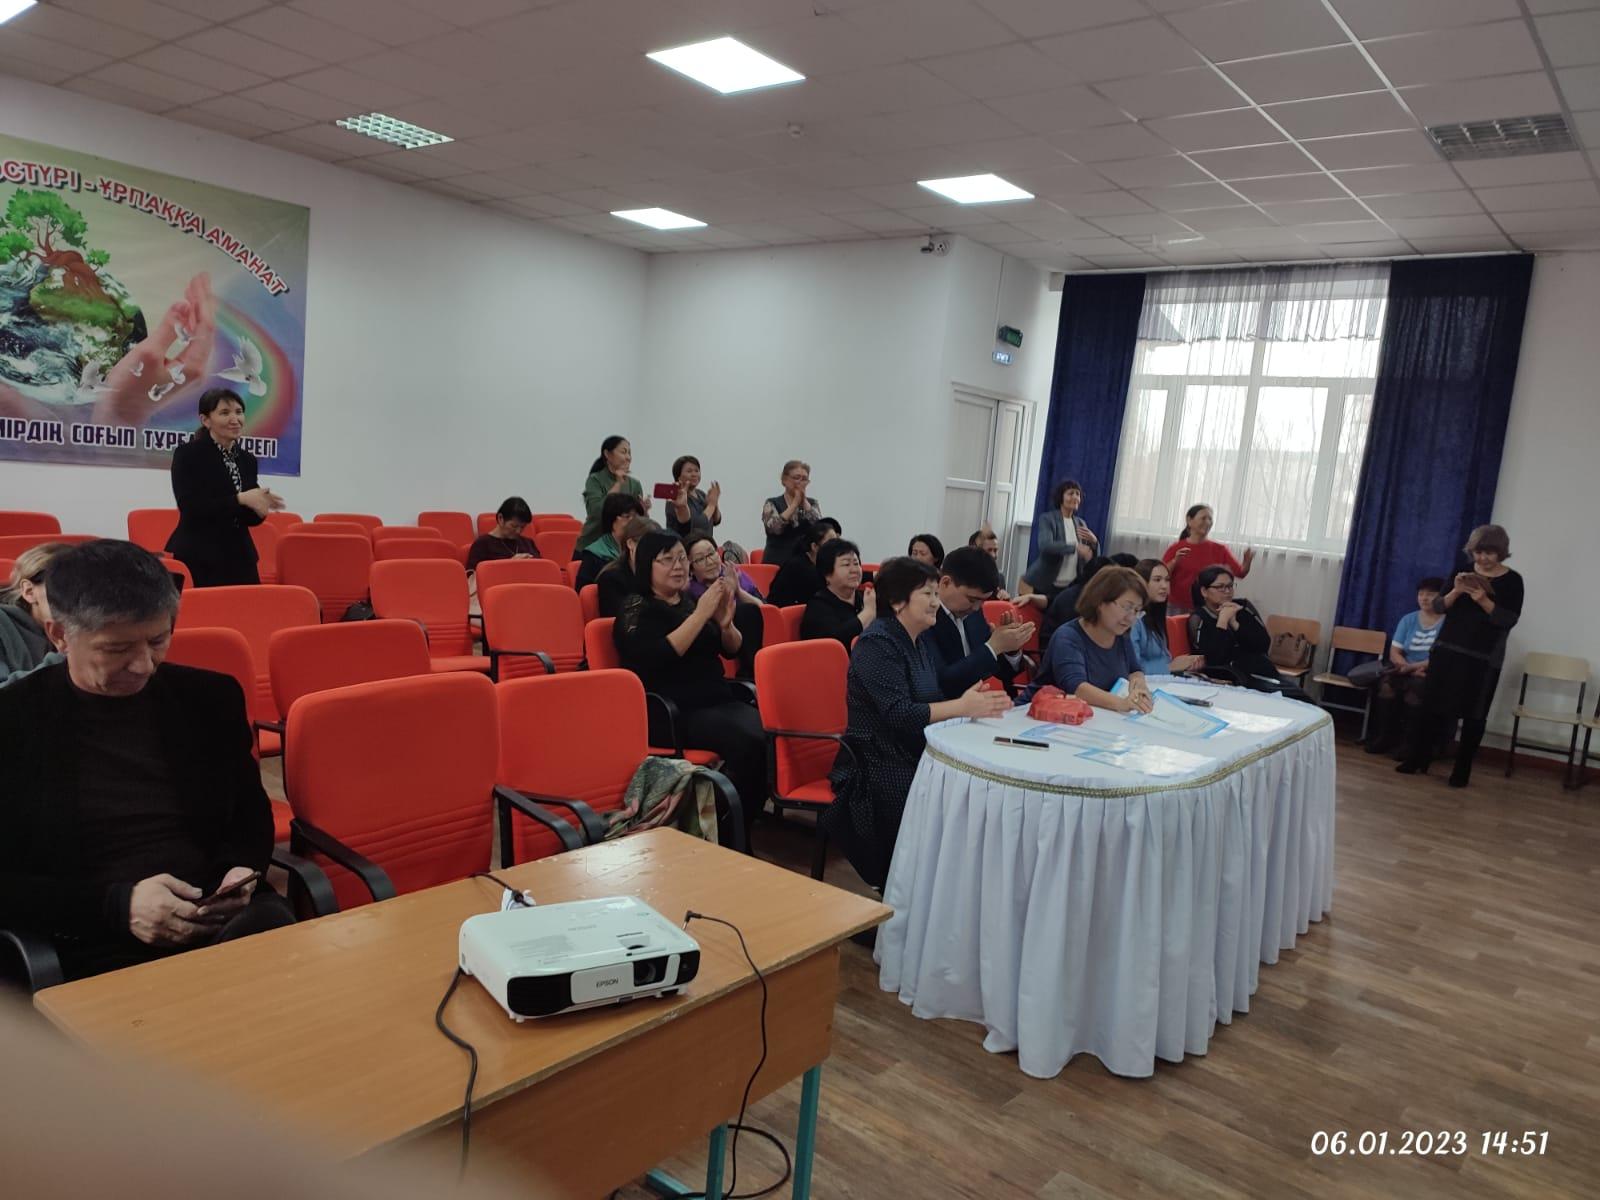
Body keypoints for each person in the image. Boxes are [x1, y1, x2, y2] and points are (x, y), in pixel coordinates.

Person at [0, 540, 292, 982]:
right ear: (59, 635)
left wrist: (241, 869)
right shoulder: (14, 720)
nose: (143, 665)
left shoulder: (208, 698)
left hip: (220, 917)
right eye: (117, 648)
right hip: (92, 937)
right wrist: (119, 907)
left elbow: (250, 814)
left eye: (158, 640)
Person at [822, 557, 1011, 888]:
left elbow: (930, 697)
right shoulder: (877, 643)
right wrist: (961, 706)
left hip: (910, 749)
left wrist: (965, 702)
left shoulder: (917, 640)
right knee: (935, 796)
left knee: (969, 786)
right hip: (874, 760)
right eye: (927, 594)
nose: (936, 602)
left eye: (937, 593)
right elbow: (900, 714)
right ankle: (904, 890)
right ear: (898, 601)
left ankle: (942, 889)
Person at [613, 531, 767, 827]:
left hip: (717, 701)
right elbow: (659, 655)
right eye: (667, 560)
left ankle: (733, 821)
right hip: (673, 710)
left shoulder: (688, 603)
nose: (678, 566)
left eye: (682, 558)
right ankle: (725, 825)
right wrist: (701, 614)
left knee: (772, 737)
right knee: (749, 743)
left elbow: (731, 649)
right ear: (646, 565)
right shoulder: (636, 608)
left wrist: (726, 625)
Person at [1398, 527, 1523, 788]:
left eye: (1489, 553)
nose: (1483, 558)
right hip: (1447, 650)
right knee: (1430, 707)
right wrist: (1455, 591)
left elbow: (1508, 620)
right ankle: (1417, 759)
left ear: (1501, 552)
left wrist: (1483, 600)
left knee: (1474, 716)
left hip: (1483, 659)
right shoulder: (1462, 571)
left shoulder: (1513, 581)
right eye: (1478, 552)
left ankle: (1461, 770)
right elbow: (1437, 607)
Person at [165, 387, 284, 587]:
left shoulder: (247, 459)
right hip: (199, 556)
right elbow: (190, 507)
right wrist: (240, 499)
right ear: (205, 420)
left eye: (239, 412)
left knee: (249, 607)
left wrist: (260, 508)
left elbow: (245, 516)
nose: (235, 419)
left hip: (240, 556)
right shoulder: (188, 454)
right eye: (225, 413)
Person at [1024, 566, 1155, 714]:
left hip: (1094, 717)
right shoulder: (1068, 637)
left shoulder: (1120, 635)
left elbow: (1134, 670)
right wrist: (1122, 703)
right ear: (1100, 602)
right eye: (1126, 607)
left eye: (1137, 610)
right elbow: (1077, 688)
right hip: (1038, 716)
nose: (1131, 617)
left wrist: (1139, 684)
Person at [925, 546, 1033, 698]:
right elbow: (942, 683)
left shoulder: (974, 614)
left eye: (983, 600)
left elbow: (1001, 672)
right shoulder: (924, 617)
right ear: (946, 583)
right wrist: (993, 647)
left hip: (978, 705)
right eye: (972, 599)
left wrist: (1009, 648)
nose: (976, 607)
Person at [1365, 577, 1444, 755]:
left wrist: (1414, 669)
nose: (1424, 598)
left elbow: (1442, 658)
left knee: (1416, 689)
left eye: (1430, 594)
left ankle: (1409, 744)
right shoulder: (1408, 619)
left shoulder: (1447, 623)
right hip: (1405, 668)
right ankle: (1384, 737)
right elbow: (1395, 651)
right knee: (1386, 684)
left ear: (1442, 598)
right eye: (1421, 594)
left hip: (1429, 672)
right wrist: (1406, 667)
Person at [1185, 565, 1279, 688]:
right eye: (1220, 587)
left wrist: (1235, 624)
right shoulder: (1198, 619)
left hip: (1262, 672)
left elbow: (1263, 644)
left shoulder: (1242, 607)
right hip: (1231, 679)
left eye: (1230, 586)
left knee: (1298, 696)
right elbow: (1214, 659)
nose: (1227, 591)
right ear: (1204, 591)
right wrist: (1222, 621)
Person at [685, 532, 764, 676]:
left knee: (747, 611)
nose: (710, 562)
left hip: (750, 639)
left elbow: (764, 609)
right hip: (723, 646)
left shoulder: (734, 575)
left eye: (711, 553)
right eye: (700, 559)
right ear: (691, 568)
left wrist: (738, 591)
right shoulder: (690, 593)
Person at [1021, 479, 1098, 613]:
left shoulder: (1081, 523)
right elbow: (1045, 545)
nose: (1075, 497)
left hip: (1071, 586)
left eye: (1078, 494)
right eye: (1070, 493)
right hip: (1047, 584)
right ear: (1061, 497)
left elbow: (1093, 557)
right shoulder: (1048, 519)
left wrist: (1095, 542)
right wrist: (1074, 547)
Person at [1163, 503, 1253, 614]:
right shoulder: (1176, 548)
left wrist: (1247, 562)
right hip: (1177, 606)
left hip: (1209, 608)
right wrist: (1175, 561)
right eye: (1203, 518)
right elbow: (1163, 574)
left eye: (1210, 519)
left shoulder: (1220, 549)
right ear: (1189, 520)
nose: (1208, 522)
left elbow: (1240, 573)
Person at [1, 542, 70, 686]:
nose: (79, 599)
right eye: (66, 588)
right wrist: (67, 657)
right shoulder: (4, 626)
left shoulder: (92, 624)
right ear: (29, 591)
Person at [1129, 558, 1207, 677]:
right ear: (1142, 583)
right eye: (1157, 580)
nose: (1164, 586)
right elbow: (1131, 667)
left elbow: (1164, 659)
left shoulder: (1156, 618)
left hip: (1164, 679)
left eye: (1167, 580)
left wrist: (1184, 663)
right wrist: (1170, 666)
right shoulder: (1133, 619)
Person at [801, 539, 877, 647]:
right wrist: (868, 612)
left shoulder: (865, 598)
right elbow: (835, 642)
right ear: (827, 574)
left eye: (856, 563)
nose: (854, 570)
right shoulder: (818, 606)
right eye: (846, 564)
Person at [579, 435, 646, 550]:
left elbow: (638, 520)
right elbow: (596, 512)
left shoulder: (634, 484)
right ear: (607, 454)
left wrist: (644, 510)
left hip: (623, 547)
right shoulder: (595, 479)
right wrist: (618, 483)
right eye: (623, 452)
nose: (628, 457)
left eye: (629, 453)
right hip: (593, 545)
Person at [573, 492, 645, 590]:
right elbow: (583, 591)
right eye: (627, 517)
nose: (633, 522)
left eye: (636, 517)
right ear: (611, 520)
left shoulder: (641, 549)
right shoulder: (594, 555)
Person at [761, 460, 824, 566]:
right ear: (784, 480)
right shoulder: (772, 503)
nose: (800, 482)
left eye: (804, 479)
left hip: (805, 562)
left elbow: (820, 529)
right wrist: (794, 504)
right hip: (777, 561)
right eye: (796, 477)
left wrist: (804, 502)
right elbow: (774, 529)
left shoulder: (812, 503)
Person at [767, 517, 841, 607]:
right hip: (784, 612)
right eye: (831, 542)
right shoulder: (799, 566)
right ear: (814, 547)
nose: (836, 547)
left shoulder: (819, 564)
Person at [595, 516, 658, 619]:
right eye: (647, 545)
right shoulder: (611, 579)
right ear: (630, 544)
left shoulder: (658, 573)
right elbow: (625, 619)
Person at [465, 496, 541, 572]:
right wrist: (509, 565)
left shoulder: (528, 543)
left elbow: (543, 569)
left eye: (522, 527)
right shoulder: (482, 544)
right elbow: (472, 576)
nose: (518, 531)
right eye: (514, 526)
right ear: (500, 518)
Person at [665, 455, 722, 540]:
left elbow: (716, 520)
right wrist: (711, 505)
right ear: (678, 476)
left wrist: (715, 503)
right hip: (686, 546)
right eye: (689, 471)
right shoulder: (675, 498)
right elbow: (698, 526)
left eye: (697, 471)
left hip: (707, 544)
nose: (694, 474)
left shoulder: (701, 494)